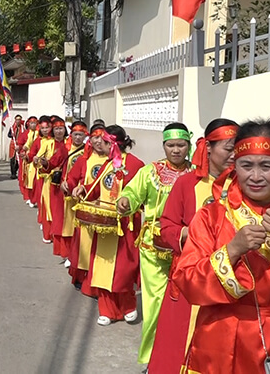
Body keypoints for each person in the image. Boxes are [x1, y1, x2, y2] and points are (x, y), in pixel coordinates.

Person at [173, 118, 270, 374]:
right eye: (246, 165)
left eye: (267, 166)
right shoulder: (211, 216)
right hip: (218, 340)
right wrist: (233, 250)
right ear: (235, 166)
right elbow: (187, 281)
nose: (255, 176)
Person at [148, 118, 238, 374]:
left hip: (230, 281)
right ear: (208, 147)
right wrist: (188, 233)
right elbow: (166, 227)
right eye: (228, 148)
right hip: (190, 277)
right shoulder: (187, 184)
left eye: (238, 149)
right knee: (177, 347)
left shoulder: (245, 186)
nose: (234, 155)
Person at [117, 122, 192, 366]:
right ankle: (154, 358)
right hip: (154, 247)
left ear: (189, 145)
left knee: (186, 306)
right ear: (164, 146)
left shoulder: (197, 175)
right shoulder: (150, 172)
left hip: (188, 246)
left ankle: (183, 360)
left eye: (181, 145)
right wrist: (125, 201)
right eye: (171, 145)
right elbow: (132, 192)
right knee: (156, 304)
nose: (176, 150)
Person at [67, 124, 141, 326]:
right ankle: (106, 309)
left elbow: (142, 196)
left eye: (106, 143)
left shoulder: (135, 165)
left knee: (124, 269)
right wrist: (83, 189)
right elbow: (97, 188)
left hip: (125, 226)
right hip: (104, 224)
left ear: (114, 144)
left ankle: (128, 306)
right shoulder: (107, 164)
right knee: (102, 267)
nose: (102, 146)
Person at [58, 121, 89, 266]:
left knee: (79, 226)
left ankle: (77, 255)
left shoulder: (88, 151)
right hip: (67, 191)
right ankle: (68, 253)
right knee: (68, 224)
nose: (77, 137)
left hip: (82, 193)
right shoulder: (66, 148)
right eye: (75, 134)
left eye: (80, 134)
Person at [42, 117, 69, 251]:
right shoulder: (47, 143)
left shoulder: (69, 144)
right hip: (52, 180)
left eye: (61, 128)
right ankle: (50, 234)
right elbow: (42, 160)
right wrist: (42, 163)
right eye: (56, 129)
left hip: (69, 182)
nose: (59, 131)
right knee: (51, 209)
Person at [26, 116, 54, 240]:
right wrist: (30, 158)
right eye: (42, 128)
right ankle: (44, 221)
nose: (45, 130)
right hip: (42, 174)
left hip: (57, 177)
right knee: (42, 199)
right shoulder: (38, 141)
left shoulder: (60, 142)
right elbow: (32, 154)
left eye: (47, 127)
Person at [18, 117, 39, 204]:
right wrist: (22, 151)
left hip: (37, 159)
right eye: (31, 123)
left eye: (35, 123)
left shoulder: (39, 134)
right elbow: (23, 145)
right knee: (26, 178)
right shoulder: (26, 134)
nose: (33, 125)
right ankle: (28, 196)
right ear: (28, 124)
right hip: (28, 159)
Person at [8, 115, 24, 179]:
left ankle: (15, 170)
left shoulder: (22, 128)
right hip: (13, 144)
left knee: (18, 159)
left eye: (19, 119)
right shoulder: (12, 127)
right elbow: (8, 135)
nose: (18, 121)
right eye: (17, 119)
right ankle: (13, 173)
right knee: (12, 159)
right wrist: (12, 135)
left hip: (19, 145)